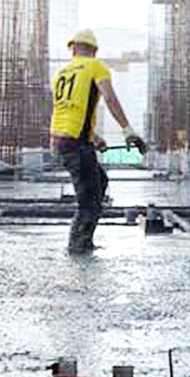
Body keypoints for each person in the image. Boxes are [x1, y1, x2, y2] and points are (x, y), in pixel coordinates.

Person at [49, 29, 148, 252]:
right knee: (89, 201)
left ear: (73, 48)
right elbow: (110, 98)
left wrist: (92, 137)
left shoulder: (61, 73)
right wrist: (128, 131)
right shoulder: (95, 67)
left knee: (99, 182)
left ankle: (83, 242)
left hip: (64, 141)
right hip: (76, 144)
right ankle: (78, 249)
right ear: (94, 50)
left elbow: (68, 111)